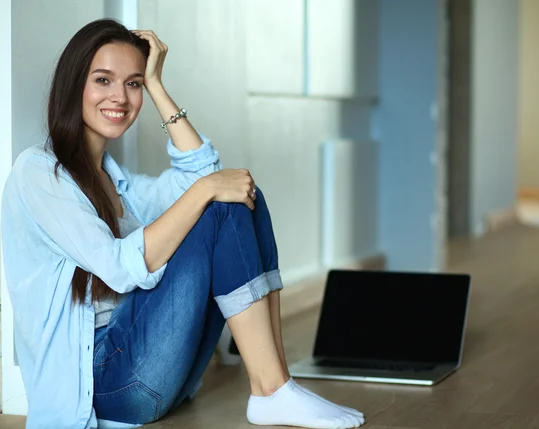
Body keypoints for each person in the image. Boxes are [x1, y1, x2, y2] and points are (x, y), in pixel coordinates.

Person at [0, 18, 365, 429]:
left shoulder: (121, 184)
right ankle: (272, 391)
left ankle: (277, 386)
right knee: (215, 200)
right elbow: (119, 268)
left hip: (159, 371)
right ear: (74, 85)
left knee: (243, 196)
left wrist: (156, 83)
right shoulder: (40, 173)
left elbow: (206, 172)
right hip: (103, 388)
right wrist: (206, 189)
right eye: (103, 80)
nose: (119, 96)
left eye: (133, 83)